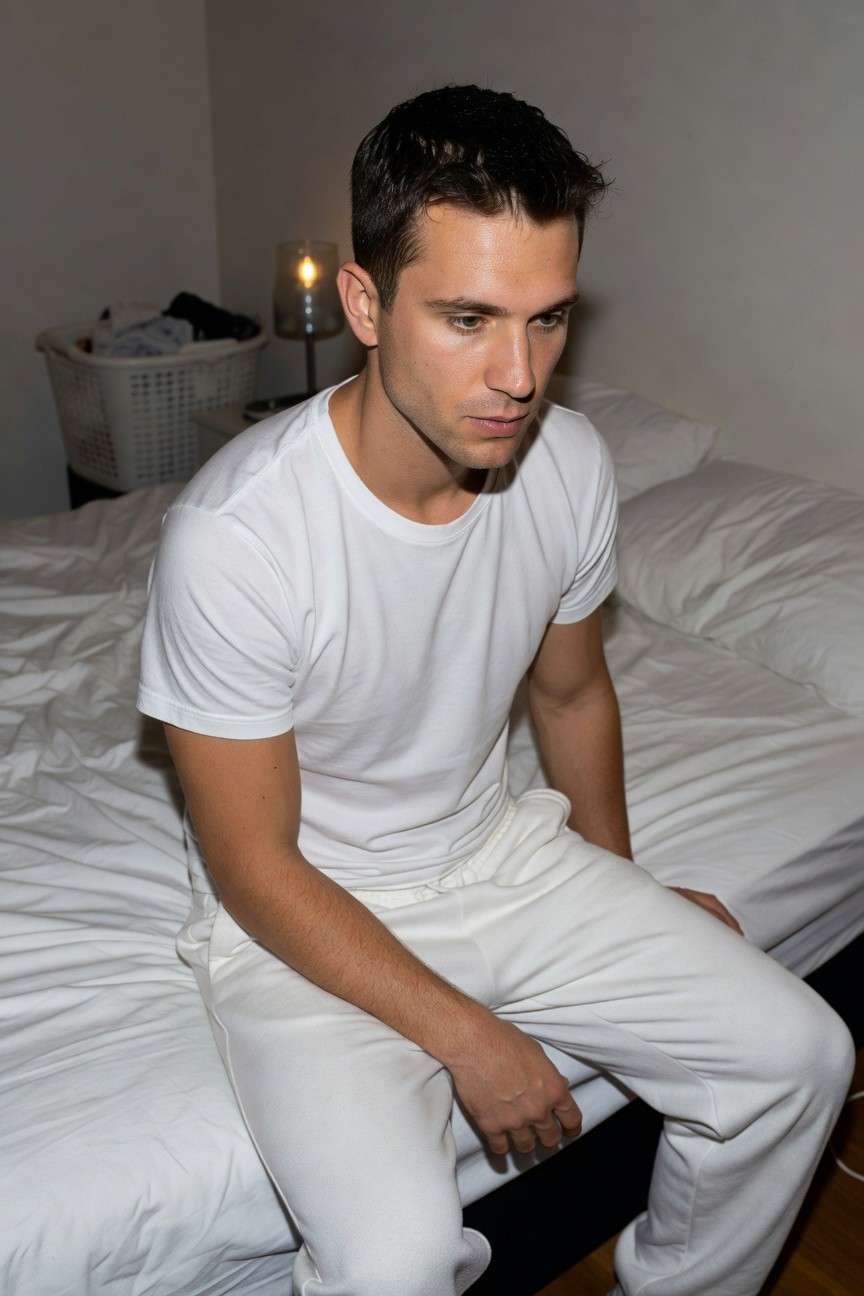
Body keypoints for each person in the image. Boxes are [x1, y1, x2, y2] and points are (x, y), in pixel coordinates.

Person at [138, 85, 854, 1296]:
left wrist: (629, 891)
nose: (517, 377)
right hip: (309, 919)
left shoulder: (567, 465)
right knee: (395, 1262)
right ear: (364, 303)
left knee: (802, 1054)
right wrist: (470, 1041)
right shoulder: (239, 535)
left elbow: (571, 700)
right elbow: (254, 865)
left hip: (501, 860)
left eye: (548, 320)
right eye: (468, 318)